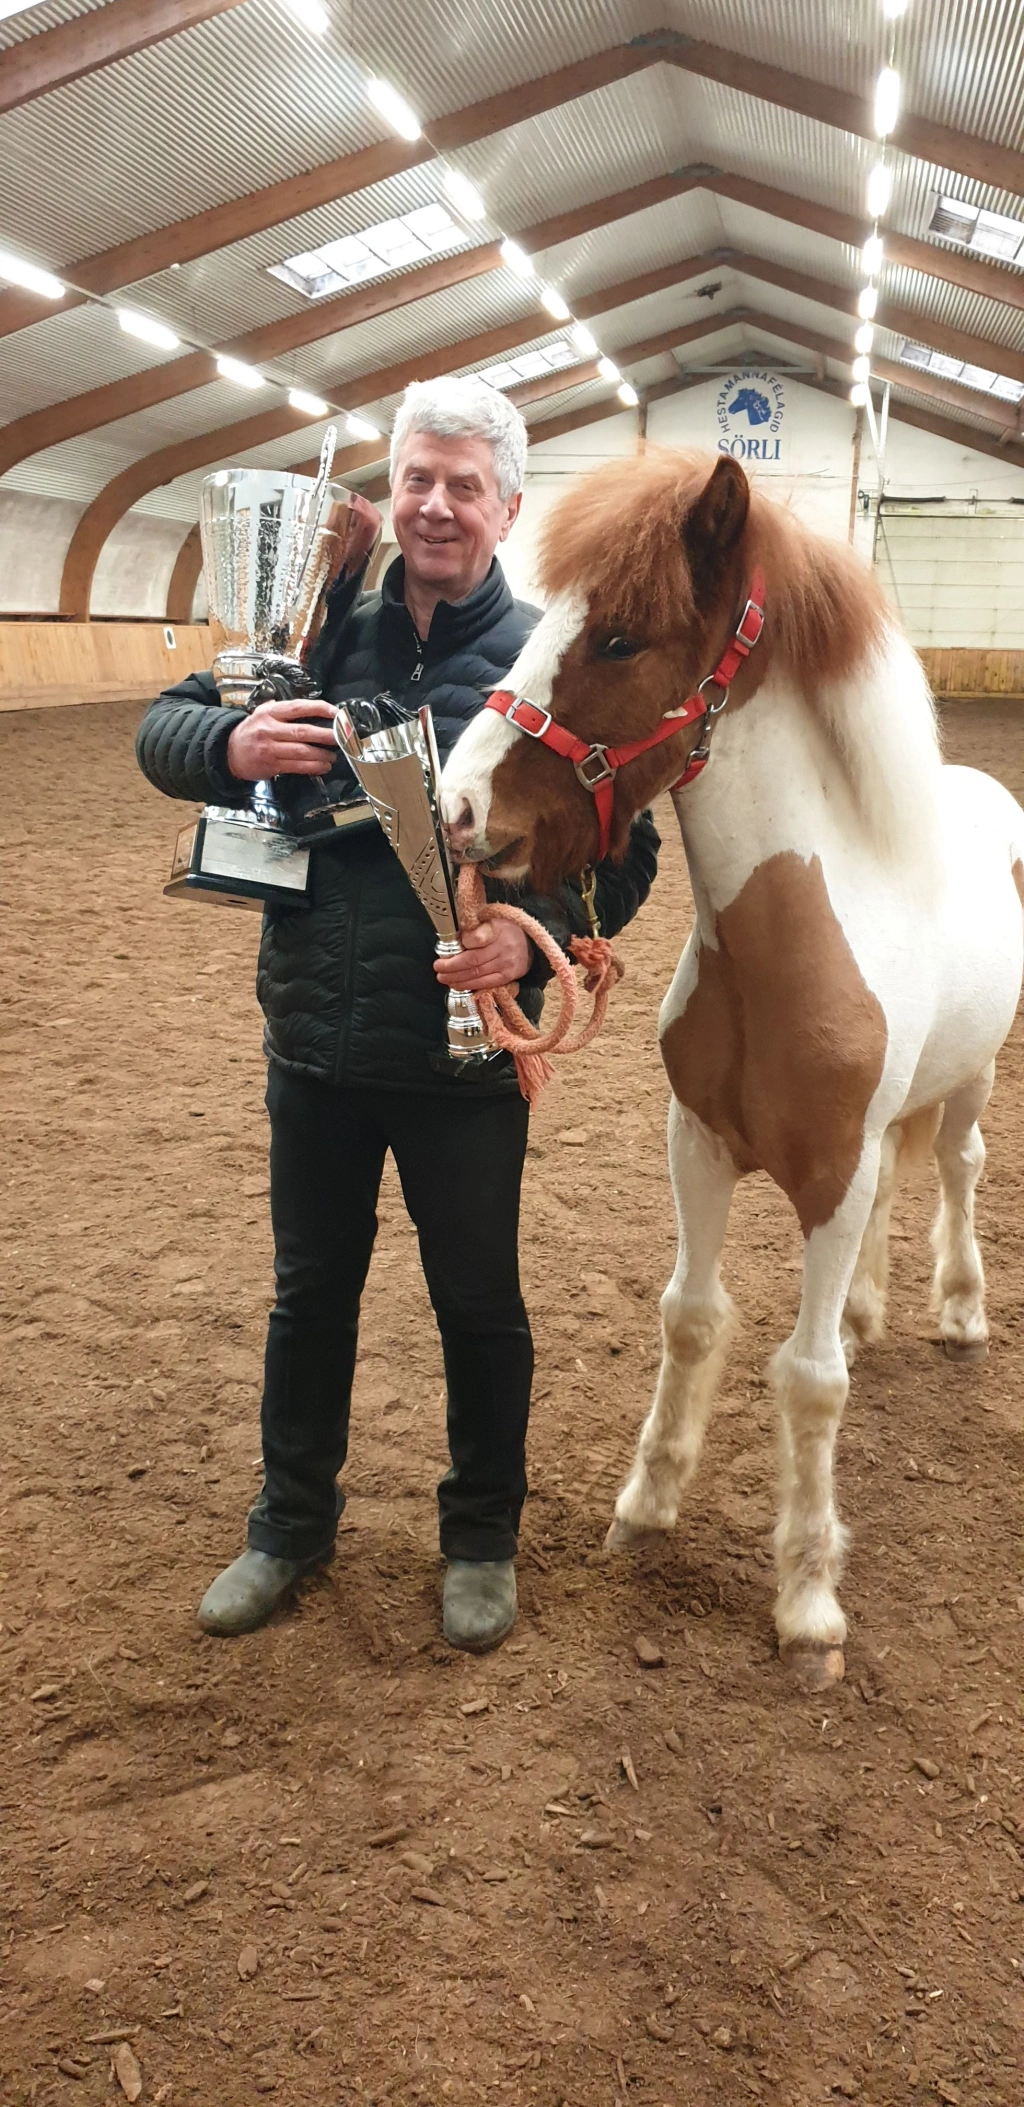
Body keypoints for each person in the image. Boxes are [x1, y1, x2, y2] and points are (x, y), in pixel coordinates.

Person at [136, 377, 659, 1653]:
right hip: (312, 1039)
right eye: (417, 478)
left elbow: (626, 852)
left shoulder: (542, 655)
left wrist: (526, 933)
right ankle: (288, 1526)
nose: (434, 505)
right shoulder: (316, 628)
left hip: (459, 1062)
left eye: (462, 486)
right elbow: (164, 727)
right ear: (392, 487)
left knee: (477, 1303)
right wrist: (229, 748)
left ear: (506, 509)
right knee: (308, 1296)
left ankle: (479, 1538)